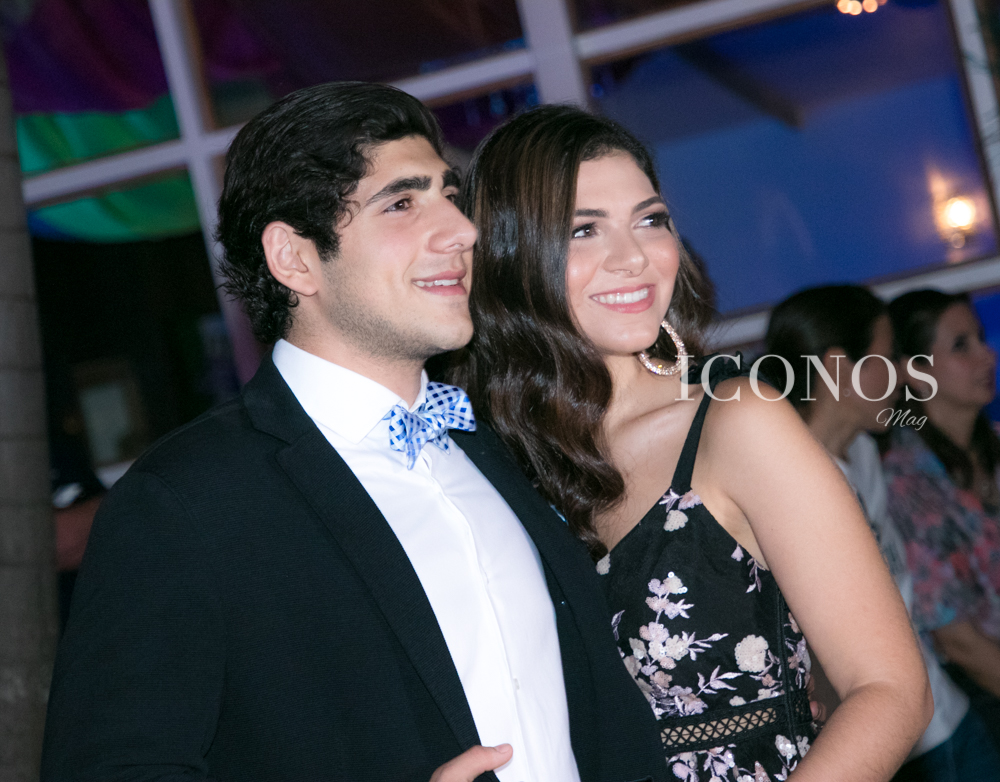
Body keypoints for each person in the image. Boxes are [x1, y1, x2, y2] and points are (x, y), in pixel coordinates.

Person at [40, 83, 667, 782]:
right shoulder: (184, 504)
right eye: (401, 204)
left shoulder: (505, 440)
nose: (462, 232)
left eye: (449, 195)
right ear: (294, 258)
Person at [449, 105, 931, 781]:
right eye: (584, 230)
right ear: (511, 255)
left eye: (651, 220)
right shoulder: (485, 464)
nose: (634, 258)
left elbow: (891, 690)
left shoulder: (736, 422)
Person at [766, 285, 1000, 782]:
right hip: (893, 740)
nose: (902, 373)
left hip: (941, 709)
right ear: (838, 367)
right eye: (888, 357)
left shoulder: (866, 452)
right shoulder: (788, 484)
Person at [884, 288, 1000, 753]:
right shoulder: (906, 481)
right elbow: (958, 641)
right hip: (979, 694)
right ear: (915, 372)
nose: (986, 355)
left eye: (981, 338)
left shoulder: (990, 447)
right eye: (961, 346)